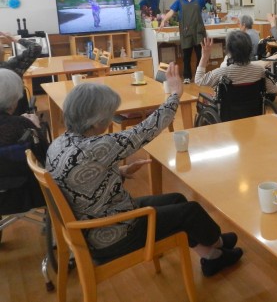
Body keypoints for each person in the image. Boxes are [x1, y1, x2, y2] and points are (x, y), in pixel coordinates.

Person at [45, 63, 243, 277]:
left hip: (95, 222)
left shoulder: (60, 143)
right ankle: (217, 244)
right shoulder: (96, 147)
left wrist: (120, 172)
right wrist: (175, 94)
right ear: (95, 121)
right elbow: (146, 130)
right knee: (190, 211)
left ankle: (211, 254)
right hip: (113, 234)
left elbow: (81, 182)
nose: (111, 118)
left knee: (177, 199)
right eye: (109, 115)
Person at [0, 69, 48, 213]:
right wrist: (37, 127)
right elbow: (47, 157)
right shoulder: (22, 125)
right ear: (14, 98)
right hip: (22, 196)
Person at [195, 31, 277, 94]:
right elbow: (272, 90)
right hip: (254, 113)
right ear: (249, 49)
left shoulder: (222, 72)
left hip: (228, 114)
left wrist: (204, 56)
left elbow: (199, 80)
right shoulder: (260, 70)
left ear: (229, 50)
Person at [160, 0, 212, 83]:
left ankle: (199, 76)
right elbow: (171, 12)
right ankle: (187, 77)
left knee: (200, 55)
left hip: (198, 32)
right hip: (186, 32)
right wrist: (164, 20)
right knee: (186, 57)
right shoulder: (179, 2)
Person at [0, 32, 43, 115]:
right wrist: (14, 38)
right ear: (3, 52)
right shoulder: (13, 65)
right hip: (18, 113)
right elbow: (36, 47)